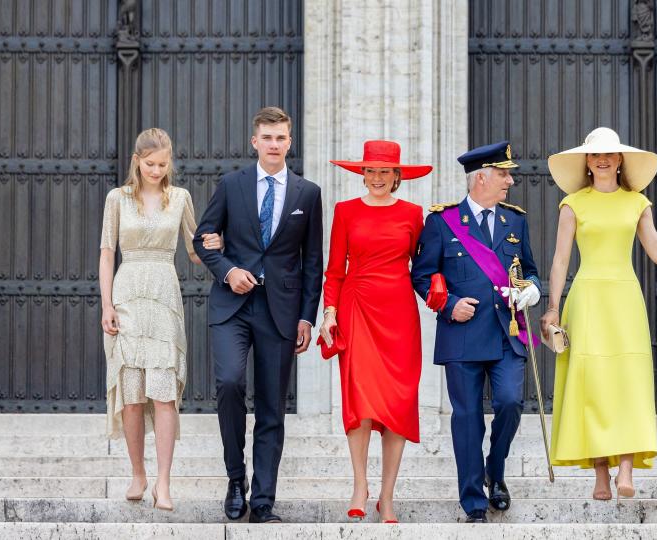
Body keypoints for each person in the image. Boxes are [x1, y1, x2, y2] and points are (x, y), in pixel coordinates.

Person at [541, 127, 657, 501]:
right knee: (593, 384)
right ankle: (601, 473)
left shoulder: (638, 203)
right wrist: (552, 307)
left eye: (610, 154)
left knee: (628, 381)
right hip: (586, 299)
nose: (602, 159)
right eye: (595, 154)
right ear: (587, 161)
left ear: (620, 161)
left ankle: (627, 469)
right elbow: (560, 259)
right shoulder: (572, 204)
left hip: (625, 300)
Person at [192, 107, 324, 523]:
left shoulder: (308, 193)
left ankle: (264, 499)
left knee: (272, 405)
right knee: (229, 383)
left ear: (290, 141)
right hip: (232, 306)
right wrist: (229, 271)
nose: (273, 144)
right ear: (254, 141)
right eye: (267, 137)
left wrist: (307, 317)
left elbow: (313, 261)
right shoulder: (232, 185)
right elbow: (203, 239)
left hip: (281, 312)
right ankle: (236, 479)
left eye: (281, 138)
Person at [411, 141, 542, 524]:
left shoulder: (514, 221)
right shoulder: (441, 222)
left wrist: (531, 288)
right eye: (504, 174)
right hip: (463, 334)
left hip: (507, 331)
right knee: (467, 416)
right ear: (480, 178)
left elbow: (529, 268)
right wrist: (449, 305)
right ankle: (472, 501)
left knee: (509, 403)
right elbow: (421, 275)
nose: (510, 181)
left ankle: (495, 469)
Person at [317, 140, 429, 523]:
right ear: (361, 174)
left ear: (397, 176)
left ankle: (387, 495)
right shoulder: (345, 211)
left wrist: (443, 296)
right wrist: (329, 313)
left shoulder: (414, 215)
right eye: (370, 171)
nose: (376, 178)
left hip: (399, 314)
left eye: (384, 171)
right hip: (357, 309)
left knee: (398, 401)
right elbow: (334, 270)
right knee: (360, 399)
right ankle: (360, 485)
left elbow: (424, 268)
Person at [99, 128, 200, 511]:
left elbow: (195, 250)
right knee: (130, 396)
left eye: (162, 164)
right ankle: (138, 473)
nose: (156, 170)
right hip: (127, 296)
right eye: (150, 164)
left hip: (163, 298)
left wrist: (222, 246)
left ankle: (163, 482)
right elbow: (108, 254)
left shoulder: (181, 198)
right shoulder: (117, 199)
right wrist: (107, 305)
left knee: (163, 392)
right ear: (137, 161)